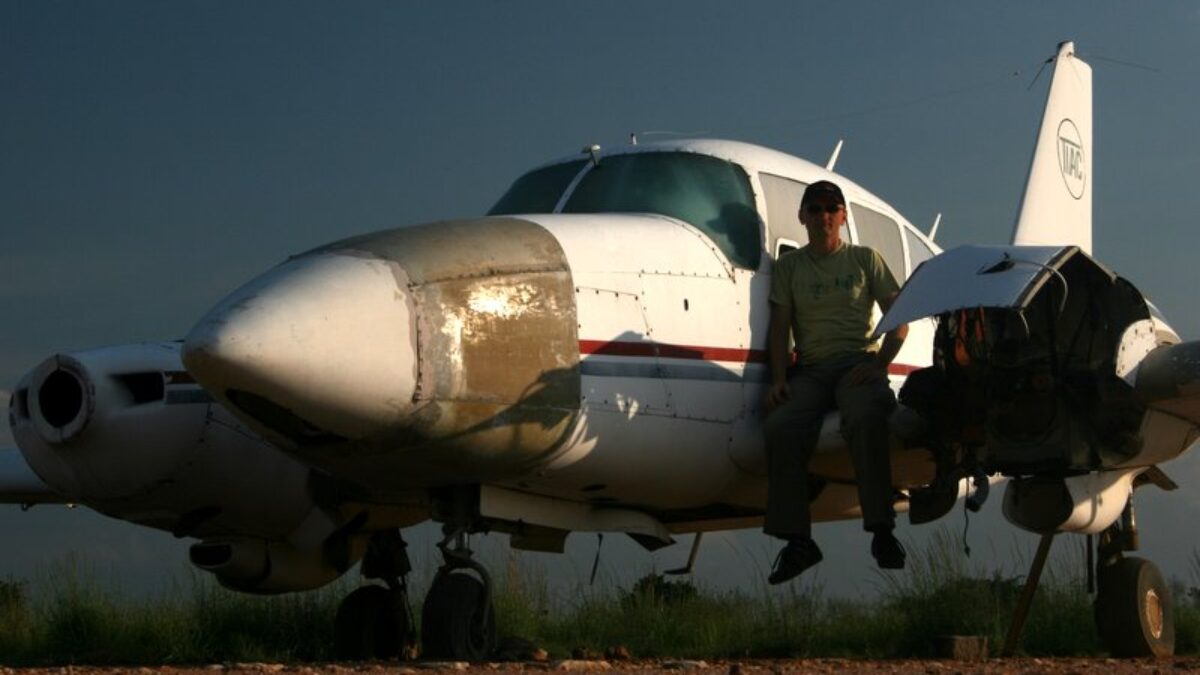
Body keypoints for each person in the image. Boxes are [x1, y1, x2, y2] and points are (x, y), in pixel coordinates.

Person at [763, 180, 909, 585]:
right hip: (811, 369)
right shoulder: (789, 267)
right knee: (780, 426)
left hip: (856, 363)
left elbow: (899, 317)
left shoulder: (865, 259)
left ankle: (881, 530)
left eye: (832, 209)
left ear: (843, 217)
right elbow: (780, 327)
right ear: (802, 217)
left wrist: (880, 363)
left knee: (865, 416)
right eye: (815, 209)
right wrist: (778, 379)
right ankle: (798, 542)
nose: (823, 216)